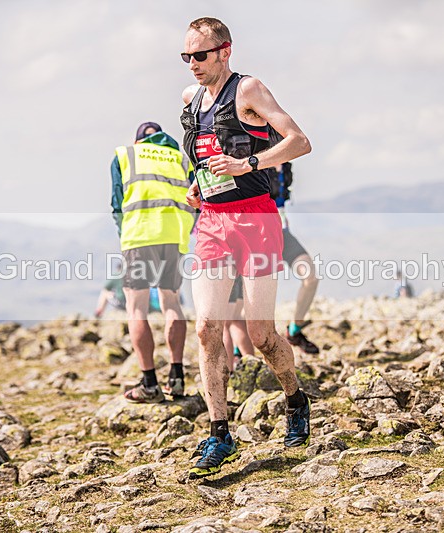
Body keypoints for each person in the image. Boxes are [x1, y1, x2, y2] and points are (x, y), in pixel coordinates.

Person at [179, 17, 312, 478]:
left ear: (225, 51)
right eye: (186, 56)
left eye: (200, 55)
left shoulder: (248, 89)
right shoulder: (190, 100)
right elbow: (201, 156)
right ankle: (220, 434)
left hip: (256, 218)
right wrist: (196, 185)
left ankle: (295, 399)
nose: (192, 64)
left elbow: (300, 142)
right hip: (211, 221)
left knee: (261, 336)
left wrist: (249, 163)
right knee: (206, 328)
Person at [110, 121, 195, 403]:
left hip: (140, 237)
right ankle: (177, 378)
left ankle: (149, 383)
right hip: (175, 237)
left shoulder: (126, 155)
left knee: (137, 308)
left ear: (139, 142)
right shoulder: (181, 159)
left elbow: (117, 204)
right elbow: (196, 199)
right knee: (172, 302)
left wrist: (126, 236)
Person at [269, 163, 321, 354]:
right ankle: (238, 349)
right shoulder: (256, 160)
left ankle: (294, 331)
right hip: (260, 235)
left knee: (311, 278)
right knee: (253, 294)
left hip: (283, 234)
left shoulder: (284, 166)